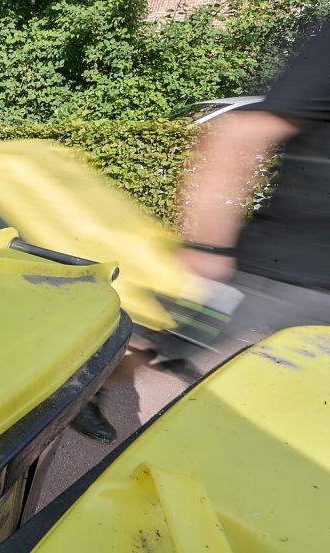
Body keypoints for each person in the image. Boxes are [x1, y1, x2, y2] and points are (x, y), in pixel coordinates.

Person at [72, 21, 330, 443]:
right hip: (283, 274)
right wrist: (208, 247)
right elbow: (237, 134)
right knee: (170, 337)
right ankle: (87, 391)